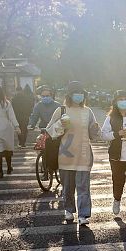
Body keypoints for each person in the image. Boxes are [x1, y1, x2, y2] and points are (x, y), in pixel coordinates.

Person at [46, 81, 101, 225]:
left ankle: (83, 215)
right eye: (76, 93)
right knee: (68, 186)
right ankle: (69, 210)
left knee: (83, 187)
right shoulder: (61, 110)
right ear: (69, 95)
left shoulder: (88, 111)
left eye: (81, 93)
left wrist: (95, 129)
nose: (79, 96)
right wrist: (60, 125)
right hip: (66, 155)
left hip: (84, 155)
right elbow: (50, 130)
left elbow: (94, 134)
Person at [101, 91, 126, 220]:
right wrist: (117, 134)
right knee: (118, 182)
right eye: (120, 99)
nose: (123, 101)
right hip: (116, 157)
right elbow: (104, 135)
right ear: (116, 102)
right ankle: (117, 199)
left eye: (125, 99)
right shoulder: (111, 118)